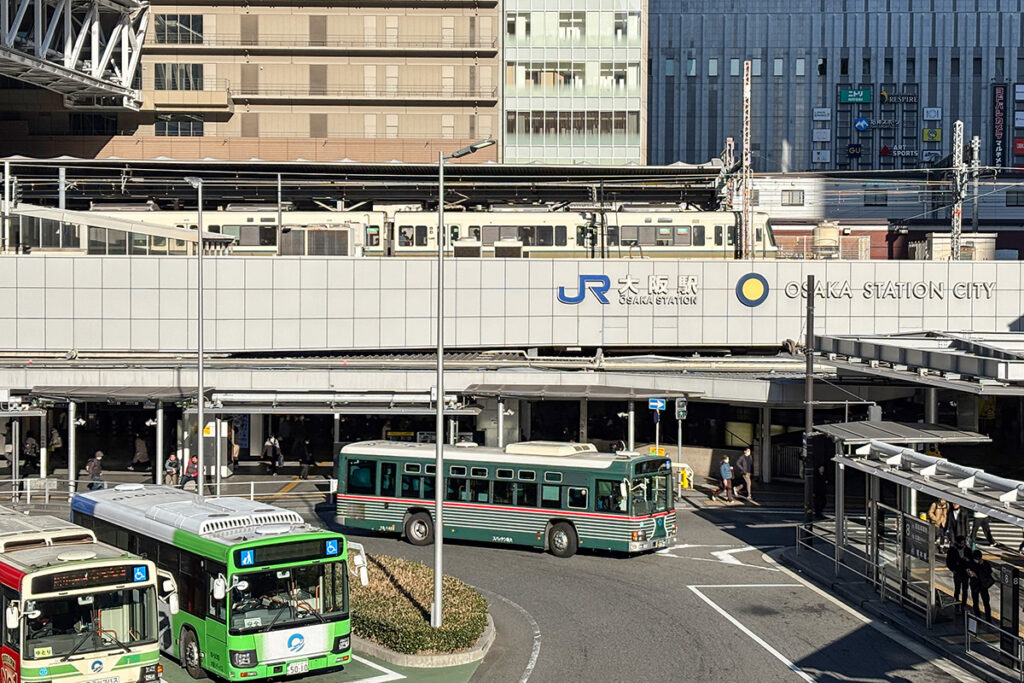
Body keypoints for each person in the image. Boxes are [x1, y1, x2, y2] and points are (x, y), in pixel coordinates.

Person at [946, 535, 971, 613]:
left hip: (965, 572)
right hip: (957, 572)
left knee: (965, 589)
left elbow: (971, 560)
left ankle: (963, 605)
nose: (962, 545)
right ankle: (956, 605)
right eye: (961, 543)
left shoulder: (967, 550)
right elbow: (948, 561)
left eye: (963, 543)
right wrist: (953, 570)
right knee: (957, 589)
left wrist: (968, 561)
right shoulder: (952, 550)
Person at [968, 548, 994, 622]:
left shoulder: (984, 563)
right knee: (976, 602)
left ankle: (987, 619)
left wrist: (982, 565)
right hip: (976, 585)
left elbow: (989, 571)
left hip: (982, 585)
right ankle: (978, 617)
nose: (978, 559)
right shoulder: (971, 563)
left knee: (986, 602)